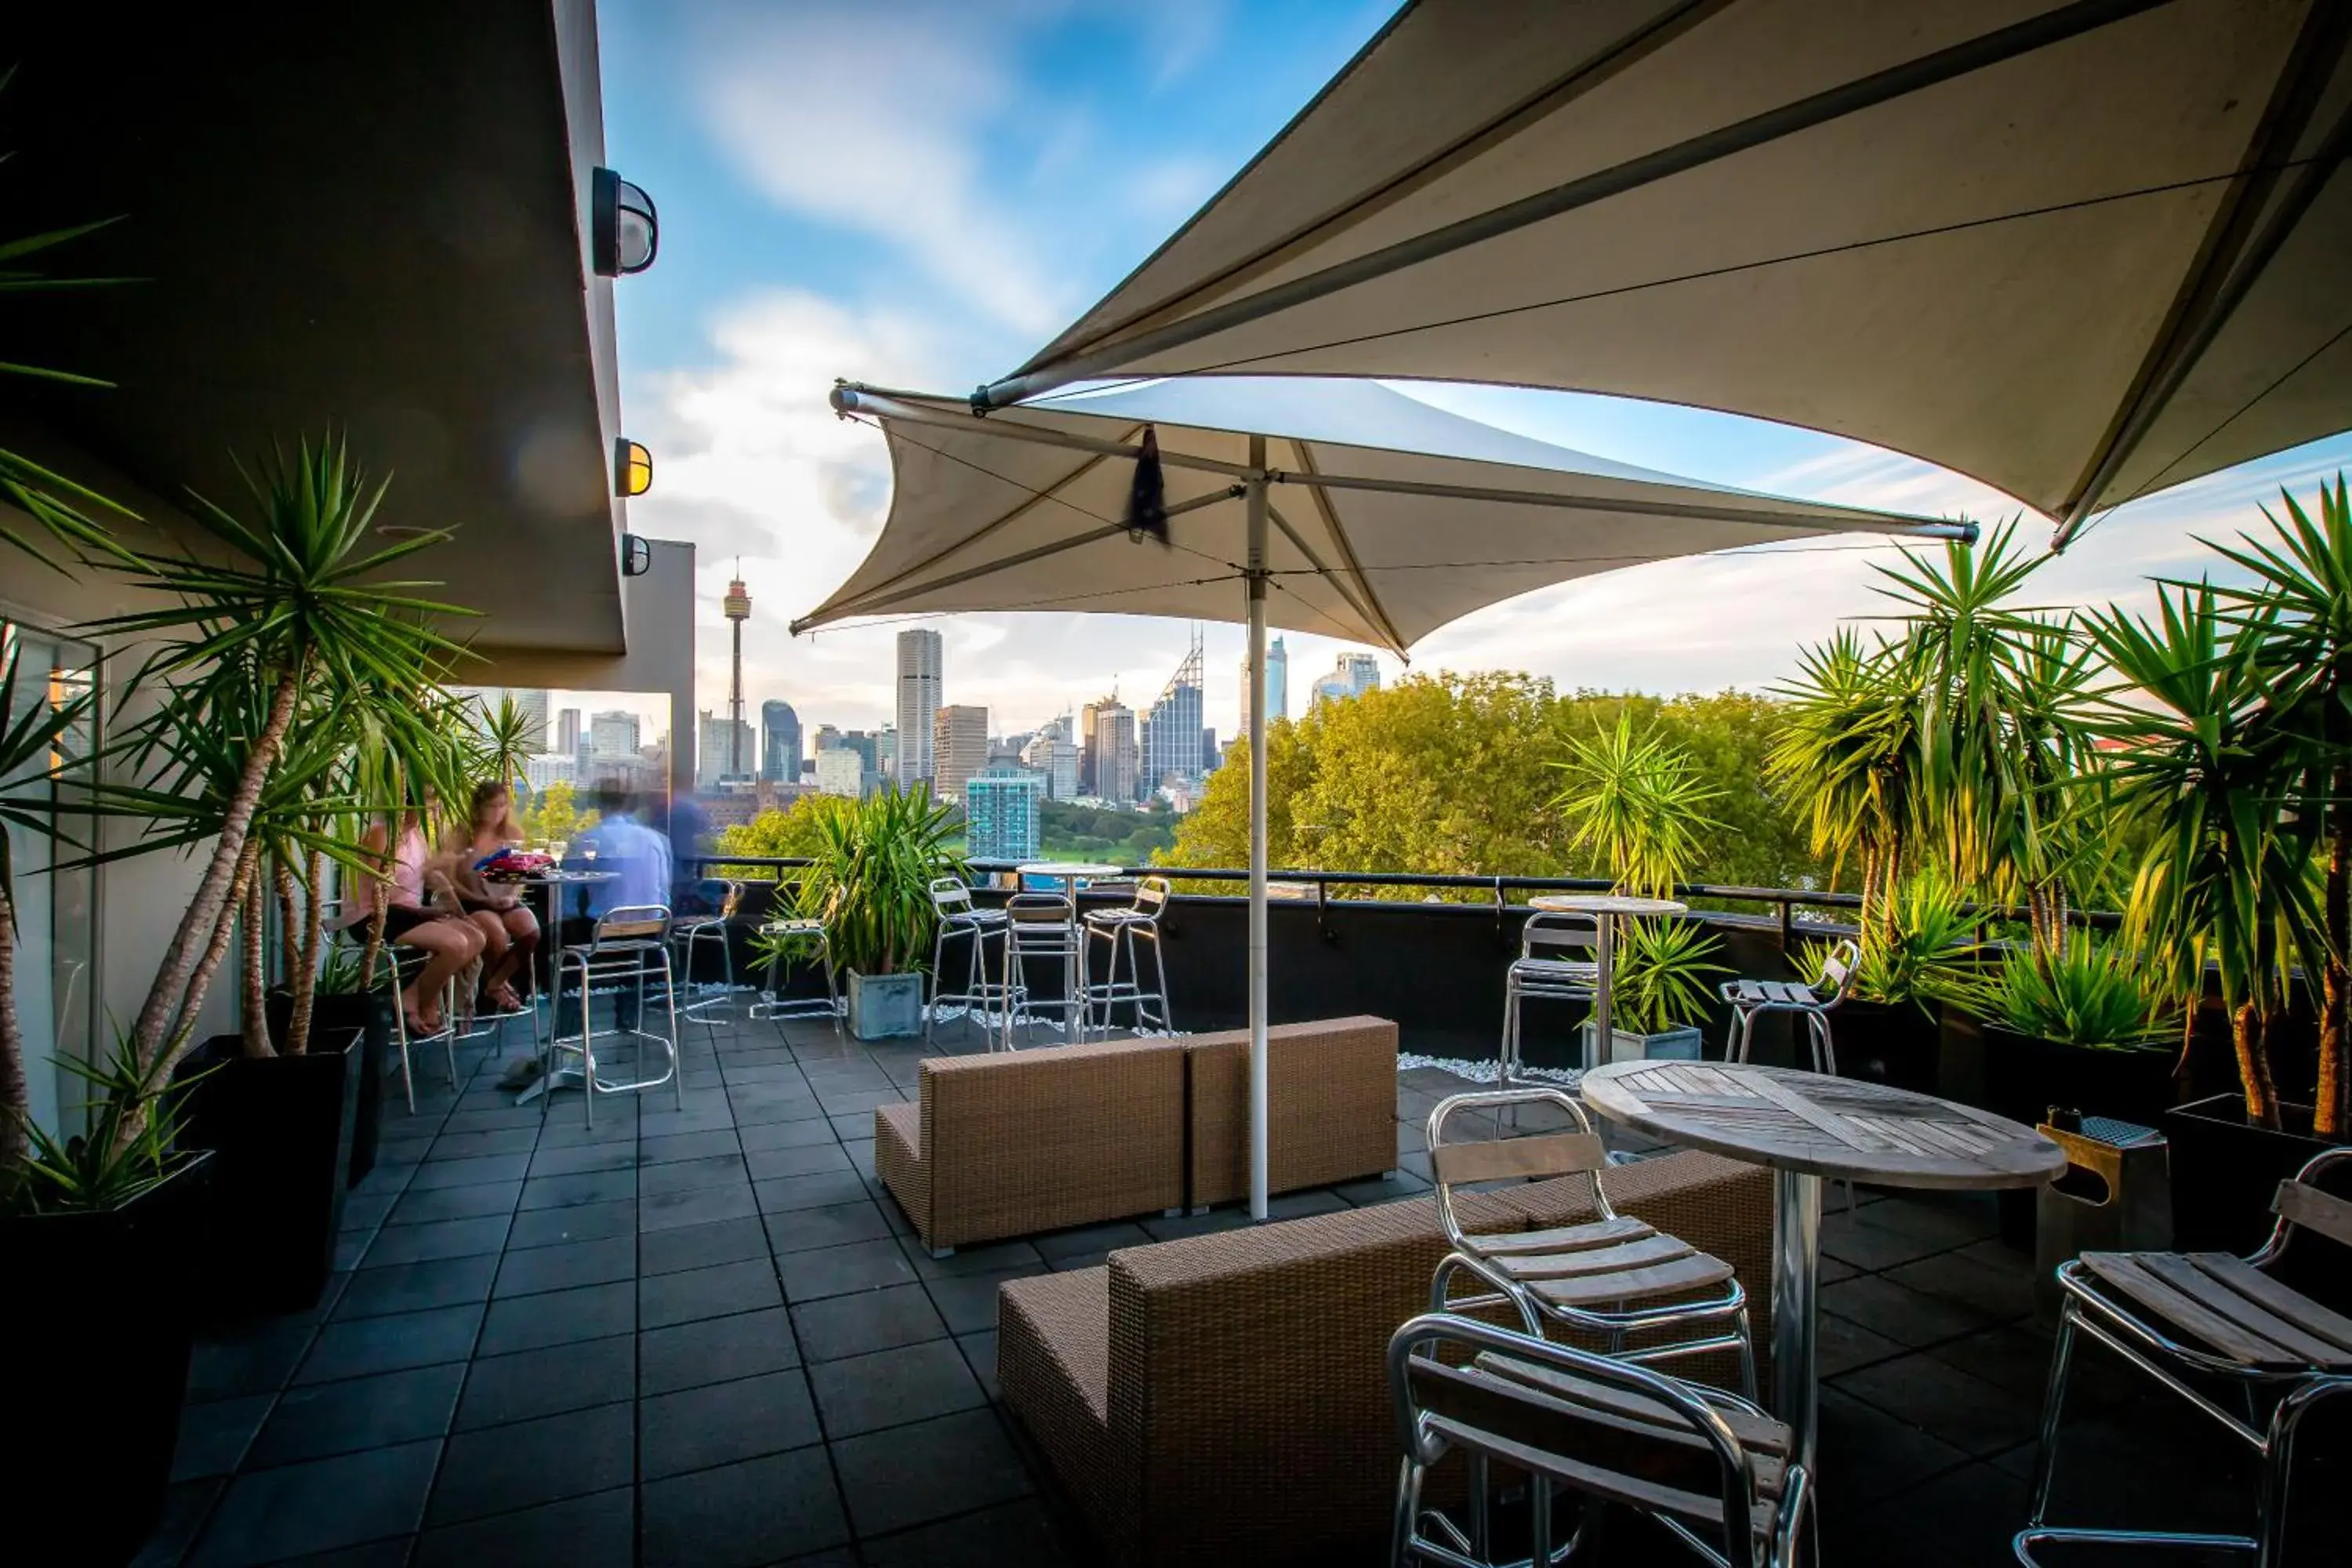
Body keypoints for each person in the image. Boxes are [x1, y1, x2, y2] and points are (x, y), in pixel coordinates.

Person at [353, 797, 481, 1037]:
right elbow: (380, 892)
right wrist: (426, 912)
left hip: (408, 913)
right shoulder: (381, 835)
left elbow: (432, 876)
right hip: (375, 916)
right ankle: (422, 1002)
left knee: (476, 937)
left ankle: (413, 996)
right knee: (456, 945)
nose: (437, 805)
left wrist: (460, 913)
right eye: (431, 799)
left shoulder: (416, 835)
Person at [555, 786, 674, 1037]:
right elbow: (664, 891)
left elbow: (567, 891)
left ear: (600, 807)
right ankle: (628, 1012)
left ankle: (569, 1019)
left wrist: (568, 915)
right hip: (652, 936)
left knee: (558, 942)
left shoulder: (590, 839)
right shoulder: (655, 839)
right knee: (620, 934)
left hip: (605, 936)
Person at [445, 779, 539, 1014]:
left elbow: (520, 875)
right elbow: (450, 879)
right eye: (491, 806)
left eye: (502, 805)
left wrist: (512, 895)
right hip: (472, 899)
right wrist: (481, 899)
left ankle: (496, 983)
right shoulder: (462, 834)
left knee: (531, 931)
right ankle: (497, 987)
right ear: (478, 808)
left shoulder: (513, 835)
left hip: (504, 899)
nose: (497, 812)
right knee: (496, 934)